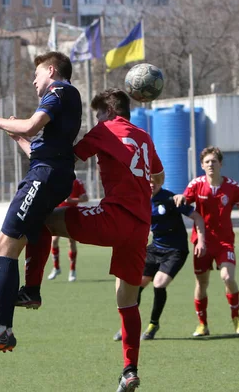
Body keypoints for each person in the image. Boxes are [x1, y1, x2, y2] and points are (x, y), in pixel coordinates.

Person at [17, 89, 164, 392]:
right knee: (126, 300)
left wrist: (19, 138)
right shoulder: (144, 137)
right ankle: (129, 370)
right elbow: (159, 178)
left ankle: (32, 289)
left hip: (115, 216)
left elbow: (63, 160)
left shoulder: (104, 129)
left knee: (43, 219)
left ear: (109, 111)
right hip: (140, 226)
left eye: (98, 113)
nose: (96, 119)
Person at [0, 51, 82, 358]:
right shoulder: (65, 97)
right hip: (51, 173)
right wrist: (17, 137)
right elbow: (37, 147)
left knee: (4, 244)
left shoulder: (59, 90)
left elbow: (31, 127)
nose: (33, 80)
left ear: (51, 70)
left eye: (36, 74)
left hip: (45, 176)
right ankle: (30, 293)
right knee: (29, 232)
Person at [174, 146, 239, 337]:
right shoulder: (195, 184)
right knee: (202, 284)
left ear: (221, 164)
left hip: (224, 242)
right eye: (207, 162)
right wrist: (180, 197)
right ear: (202, 165)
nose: (210, 165)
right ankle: (202, 324)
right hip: (202, 242)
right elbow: (184, 201)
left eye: (214, 161)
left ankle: (236, 318)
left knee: (227, 277)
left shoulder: (233, 187)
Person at [113, 178, 206, 342]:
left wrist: (201, 241)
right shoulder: (140, 199)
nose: (151, 184)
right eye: (148, 180)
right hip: (155, 248)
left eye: (155, 181)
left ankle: (153, 325)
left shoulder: (171, 199)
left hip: (176, 250)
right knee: (137, 284)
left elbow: (197, 217)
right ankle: (127, 326)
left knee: (159, 283)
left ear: (161, 182)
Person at [47, 178, 88, 282]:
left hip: (71, 215)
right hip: (58, 214)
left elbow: (85, 198)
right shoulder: (57, 180)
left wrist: (72, 200)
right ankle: (56, 268)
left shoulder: (77, 182)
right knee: (54, 241)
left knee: (71, 242)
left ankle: (72, 270)